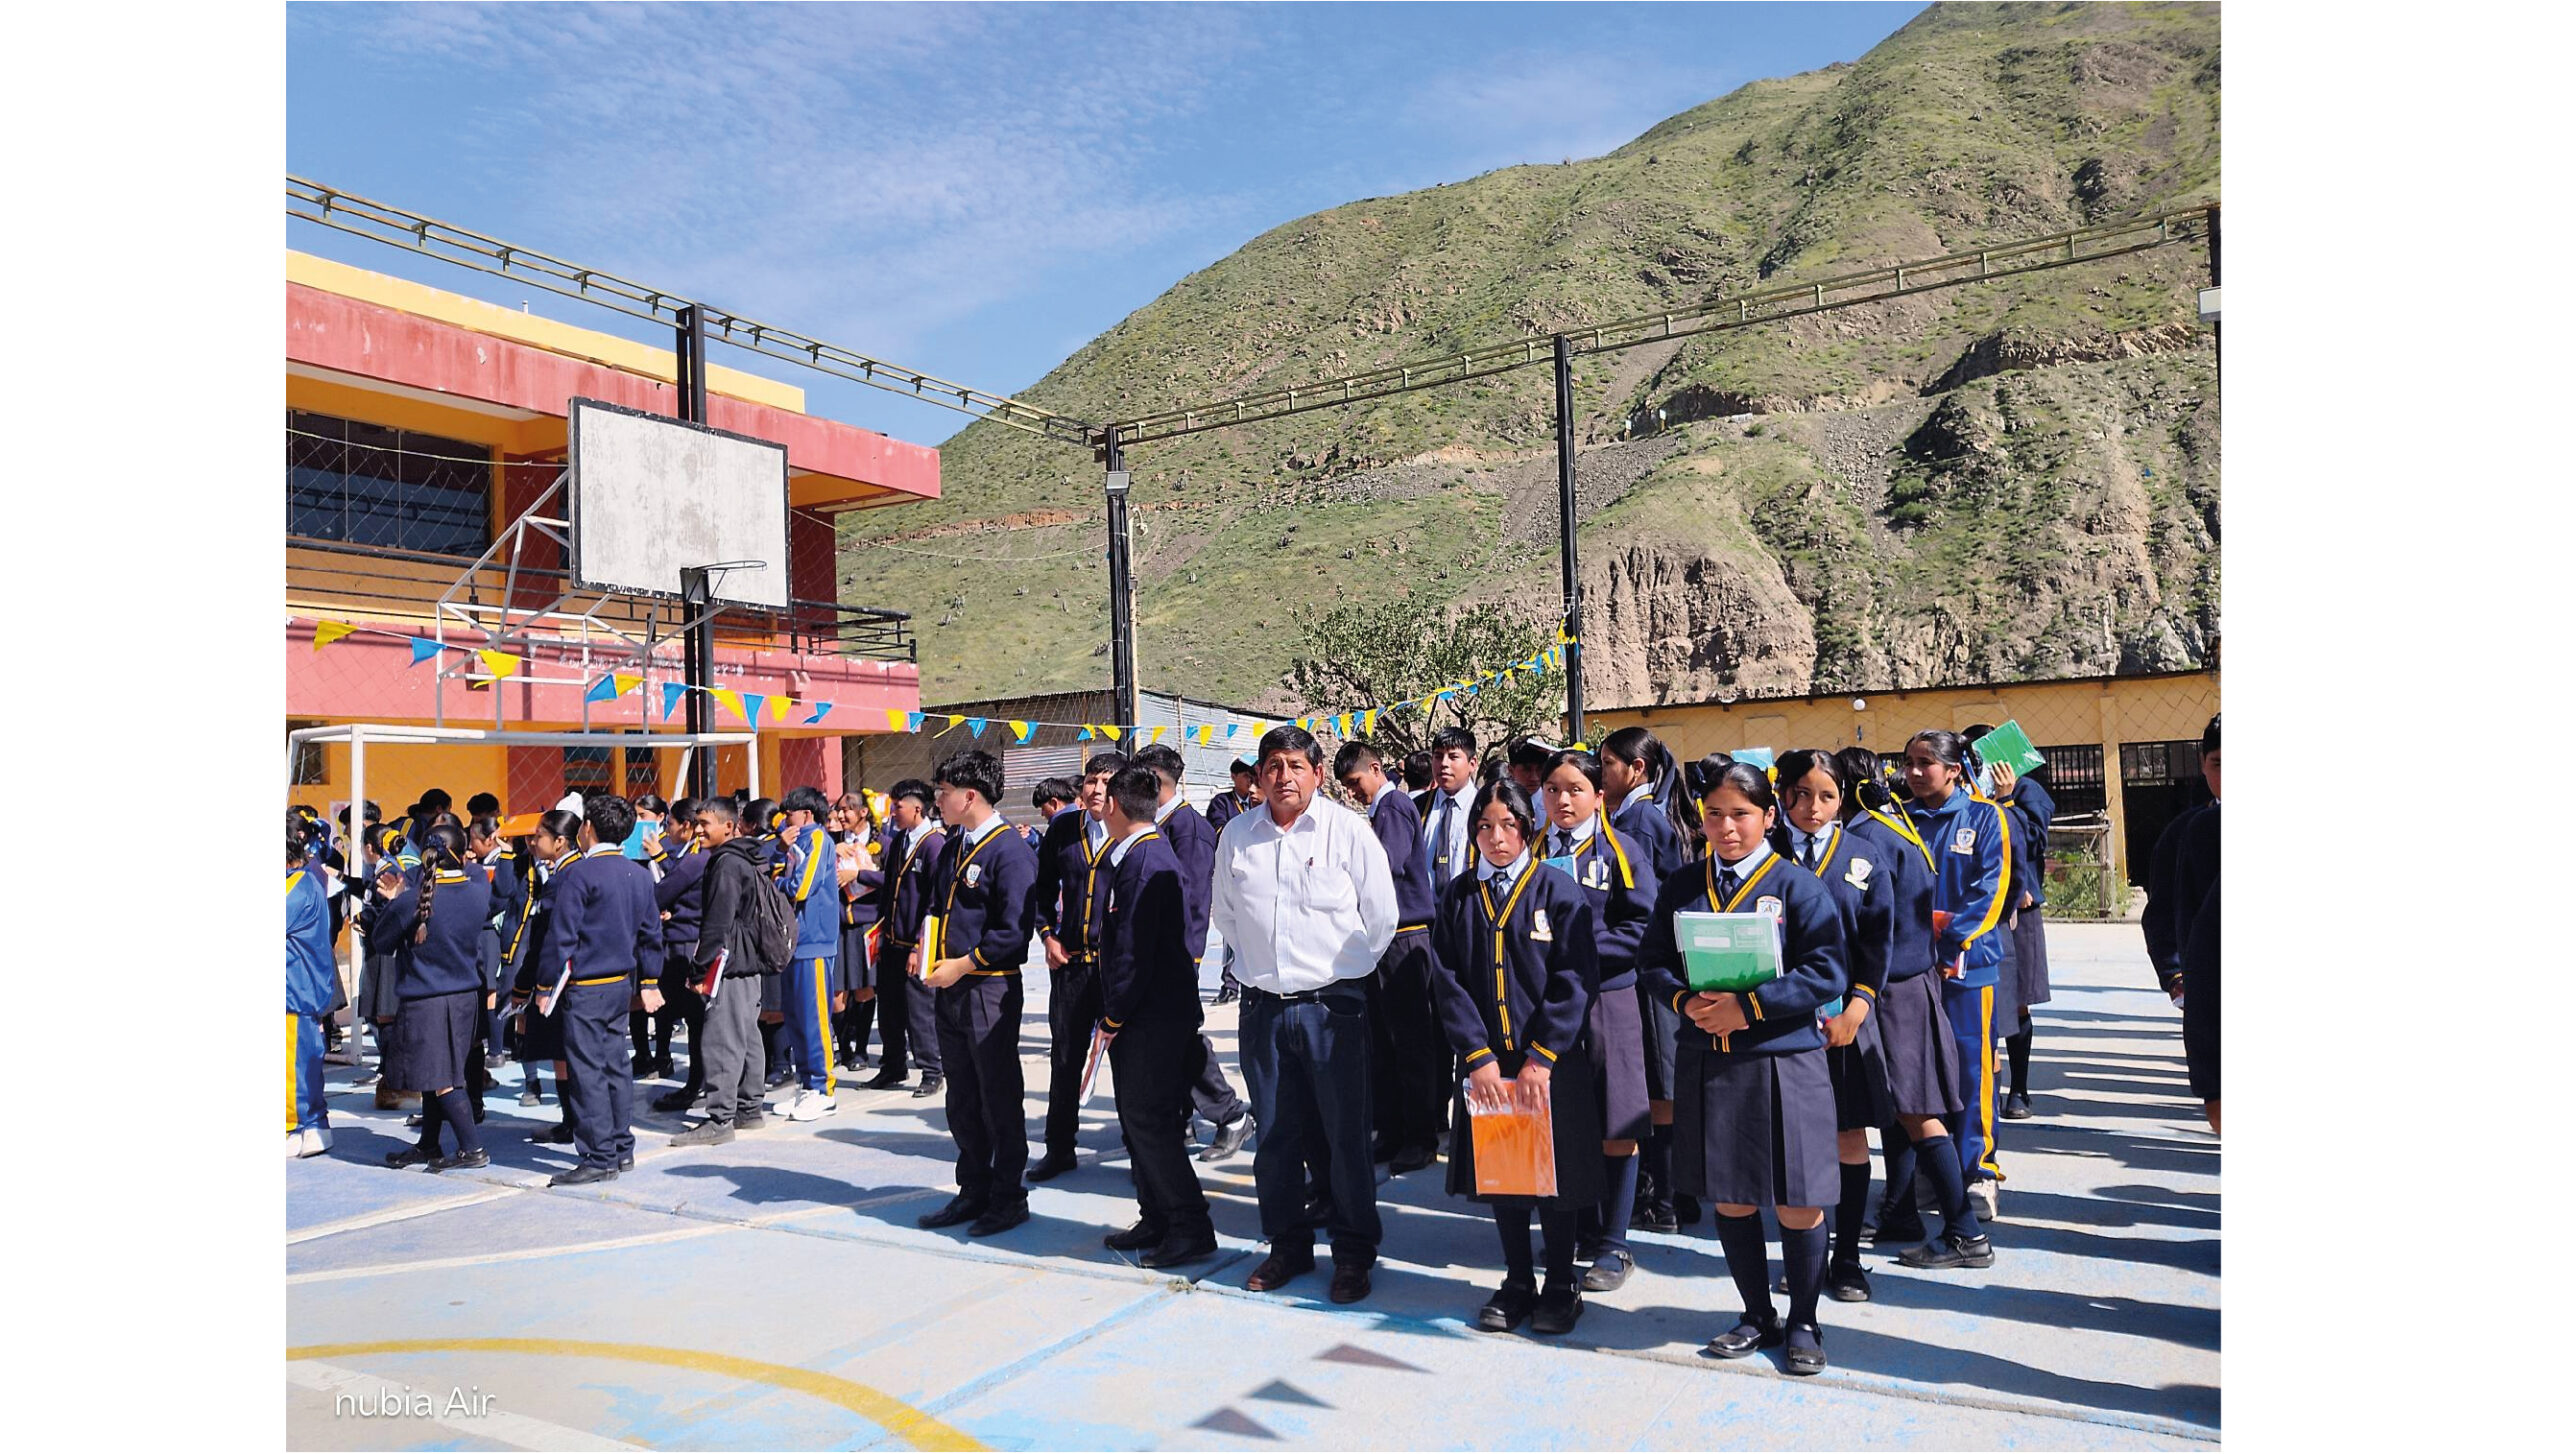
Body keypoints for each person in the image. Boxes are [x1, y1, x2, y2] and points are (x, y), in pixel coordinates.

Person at [1635, 759, 1849, 1377]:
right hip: (1712, 1060)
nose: (1726, 827)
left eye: (1741, 814)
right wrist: (1687, 1003)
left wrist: (1749, 1007)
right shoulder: (1682, 886)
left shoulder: (1798, 886)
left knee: (1798, 1200)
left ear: (1769, 817)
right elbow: (1652, 961)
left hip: (1784, 1061)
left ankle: (1804, 1320)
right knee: (1731, 1198)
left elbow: (1828, 970)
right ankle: (1757, 1314)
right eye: (1714, 815)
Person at [1212, 726, 1399, 1304]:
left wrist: (1345, 973)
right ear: (1259, 775)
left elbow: (1381, 915)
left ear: (1318, 773)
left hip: (1332, 1008)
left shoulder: (1348, 831)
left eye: (1296, 765)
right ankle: (1287, 1246)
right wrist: (1261, 969)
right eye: (1273, 765)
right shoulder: (1237, 836)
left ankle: (1353, 1253)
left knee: (1344, 1138)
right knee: (1275, 1136)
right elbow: (1226, 914)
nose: (1283, 776)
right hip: (1264, 1010)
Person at [1430, 780, 1604, 1335]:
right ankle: (1518, 1279)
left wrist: (1542, 1056)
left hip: (1547, 1064)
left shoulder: (1557, 890)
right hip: (1489, 1066)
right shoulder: (1458, 896)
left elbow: (1575, 978)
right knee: (1505, 1177)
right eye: (1484, 827)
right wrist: (1477, 1055)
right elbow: (1447, 979)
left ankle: (1561, 1283)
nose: (1497, 838)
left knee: (1555, 1181)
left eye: (1508, 825)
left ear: (1529, 829)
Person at [1833, 746, 1985, 1265]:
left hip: (1892, 990)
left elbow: (1862, 923)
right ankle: (1900, 1211)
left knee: (1917, 1113)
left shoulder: (1864, 839)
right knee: (1900, 1111)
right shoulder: (1893, 826)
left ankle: (1965, 1232)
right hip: (1908, 981)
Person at [1776, 749, 1897, 1303]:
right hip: (1780, 1023)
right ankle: (1804, 1257)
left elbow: (1878, 943)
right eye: (1802, 794)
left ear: (1842, 799)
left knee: (1849, 1137)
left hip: (1846, 1022)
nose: (1813, 807)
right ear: (1783, 797)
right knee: (1793, 1143)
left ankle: (1846, 1257)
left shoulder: (1865, 858)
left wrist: (1857, 1009)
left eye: (1827, 796)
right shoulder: (1764, 855)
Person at [1540, 748, 1659, 1294]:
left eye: (1576, 789)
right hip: (1549, 1003)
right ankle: (1579, 1227)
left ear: (1599, 795)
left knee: (1617, 1120)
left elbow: (1643, 926)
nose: (1563, 800)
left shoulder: (1621, 851)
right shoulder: (1532, 849)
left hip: (1609, 998)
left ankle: (1614, 1242)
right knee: (1566, 1120)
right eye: (1553, 790)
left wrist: (1581, 948)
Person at [1093, 763, 1220, 1268]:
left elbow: (1134, 951)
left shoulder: (1145, 860)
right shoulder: (1139, 853)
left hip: (1152, 1016)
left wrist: (1113, 1015)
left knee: (1151, 1121)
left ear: (1115, 806)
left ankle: (1189, 1225)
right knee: (1137, 1120)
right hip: (1146, 1014)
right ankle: (1157, 1215)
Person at [913, 750, 1042, 1237]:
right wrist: (927, 952)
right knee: (962, 1096)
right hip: (950, 986)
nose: (938, 800)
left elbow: (1013, 932)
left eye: (943, 792)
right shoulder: (954, 846)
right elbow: (939, 907)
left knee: (997, 1094)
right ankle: (973, 1188)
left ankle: (1008, 1197)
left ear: (969, 796)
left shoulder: (1009, 851)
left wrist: (963, 964)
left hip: (988, 987)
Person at [1897, 729, 2014, 1231]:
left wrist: (1951, 943)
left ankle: (1979, 1170)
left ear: (1954, 769)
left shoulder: (1985, 817)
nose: (1914, 772)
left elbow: (1992, 889)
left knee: (1972, 1068)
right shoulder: (1899, 820)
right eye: (1909, 762)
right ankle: (1935, 1166)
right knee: (1921, 1070)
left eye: (1925, 762)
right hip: (1911, 968)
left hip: (1968, 967)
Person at [531, 794, 663, 1186]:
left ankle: (598, 1156)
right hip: (620, 983)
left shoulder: (580, 874)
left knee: (587, 1072)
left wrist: (544, 985)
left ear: (587, 827)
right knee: (616, 1065)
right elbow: (651, 933)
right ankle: (621, 1147)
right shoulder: (639, 874)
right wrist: (650, 981)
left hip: (586, 986)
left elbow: (561, 936)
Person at [1597, 726, 1698, 1234]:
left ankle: (1669, 1198)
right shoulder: (1640, 815)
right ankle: (1673, 1193)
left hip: (1648, 970)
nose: (1600, 773)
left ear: (1636, 769)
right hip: (1657, 965)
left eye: (1607, 764)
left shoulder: (1637, 822)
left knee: (1658, 1087)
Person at [1132, 742, 1254, 1161]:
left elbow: (1196, 903)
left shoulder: (1189, 829)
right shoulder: (1153, 824)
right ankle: (1180, 1118)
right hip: (1152, 958)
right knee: (1164, 1043)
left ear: (1155, 780)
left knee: (1182, 1040)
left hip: (1175, 960)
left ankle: (1230, 1114)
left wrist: (1187, 960)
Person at [1332, 740, 1440, 1176]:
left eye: (1355, 781)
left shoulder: (1393, 807)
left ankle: (1420, 1136)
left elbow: (1384, 867)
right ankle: (1392, 1129)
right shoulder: (1380, 811)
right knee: (1384, 1041)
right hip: (1382, 939)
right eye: (1346, 786)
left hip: (1404, 936)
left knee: (1410, 1042)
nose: (1352, 792)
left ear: (1376, 769)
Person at [374, 823, 497, 1173]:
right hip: (464, 996)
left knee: (442, 1079)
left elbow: (381, 941)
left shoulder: (413, 900)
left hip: (428, 999)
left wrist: (395, 901)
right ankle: (429, 1143)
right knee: (437, 1074)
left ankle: (472, 1148)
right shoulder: (477, 891)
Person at [1029, 752, 1129, 1182]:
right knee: (1065, 1058)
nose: (1096, 789)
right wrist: (1047, 935)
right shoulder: (1063, 828)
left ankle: (1140, 1151)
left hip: (1116, 970)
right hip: (1071, 966)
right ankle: (1059, 1148)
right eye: (1091, 780)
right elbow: (1041, 888)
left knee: (1127, 1061)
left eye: (1106, 782)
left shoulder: (1133, 831)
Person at [1962, 725, 2056, 1121]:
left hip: (2018, 910)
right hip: (1975, 910)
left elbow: (2032, 841)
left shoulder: (2027, 791)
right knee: (1978, 1002)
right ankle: (1984, 1086)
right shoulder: (1964, 793)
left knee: (2015, 1001)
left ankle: (2019, 1089)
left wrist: (2005, 800)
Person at [670, 797, 774, 1145]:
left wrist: (699, 968)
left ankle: (719, 1119)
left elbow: (717, 922)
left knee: (722, 1038)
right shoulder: (747, 856)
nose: (698, 830)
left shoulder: (726, 863)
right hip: (749, 958)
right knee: (746, 1034)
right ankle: (749, 1108)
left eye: (705, 824)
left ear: (729, 826)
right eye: (697, 823)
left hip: (729, 960)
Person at [2142, 716, 2221, 1132]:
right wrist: (2175, 976)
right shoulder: (2189, 833)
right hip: (2211, 994)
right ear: (2203, 765)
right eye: (2218, 763)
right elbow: (2163, 914)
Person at [867, 780, 947, 1096]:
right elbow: (889, 889)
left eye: (897, 806)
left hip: (917, 944)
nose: (893, 812)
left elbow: (934, 901)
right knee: (889, 1009)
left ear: (916, 808)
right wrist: (880, 932)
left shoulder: (934, 845)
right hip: (892, 941)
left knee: (920, 1011)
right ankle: (893, 1066)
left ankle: (931, 1069)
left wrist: (918, 946)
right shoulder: (899, 840)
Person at [772, 785, 843, 1121]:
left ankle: (823, 1088)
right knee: (796, 1017)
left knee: (814, 1018)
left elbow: (801, 887)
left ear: (807, 814)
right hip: (794, 941)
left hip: (814, 940)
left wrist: (776, 884)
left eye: (790, 814)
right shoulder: (796, 841)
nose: (786, 820)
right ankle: (806, 1085)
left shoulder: (816, 839)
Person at [651, 799, 711, 1112]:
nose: (667, 830)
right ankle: (697, 1082)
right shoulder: (691, 856)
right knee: (694, 1018)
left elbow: (662, 891)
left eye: (670, 824)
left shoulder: (695, 859)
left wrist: (665, 907)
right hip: (685, 936)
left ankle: (697, 1084)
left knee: (695, 1018)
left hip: (686, 943)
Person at [287, 822, 337, 1158]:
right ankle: (313, 1124)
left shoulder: (296, 885)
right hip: (301, 988)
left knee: (293, 1066)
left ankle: (294, 1126)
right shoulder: (307, 880)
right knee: (305, 1063)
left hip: (295, 989)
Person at [829, 794, 881, 1076]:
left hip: (866, 923)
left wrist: (859, 875)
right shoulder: (832, 842)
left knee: (864, 989)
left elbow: (891, 878)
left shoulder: (882, 842)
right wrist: (832, 851)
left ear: (863, 812)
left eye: (847, 810)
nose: (841, 815)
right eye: (839, 810)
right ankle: (844, 1047)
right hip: (837, 923)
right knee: (837, 994)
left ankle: (860, 1049)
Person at [1205, 757, 1259, 1007]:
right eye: (1245, 777)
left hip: (1256, 875)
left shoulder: (1261, 803)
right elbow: (1219, 831)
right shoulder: (1222, 802)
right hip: (1232, 874)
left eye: (1253, 777)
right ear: (1233, 777)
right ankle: (1229, 983)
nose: (1250, 783)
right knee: (1231, 932)